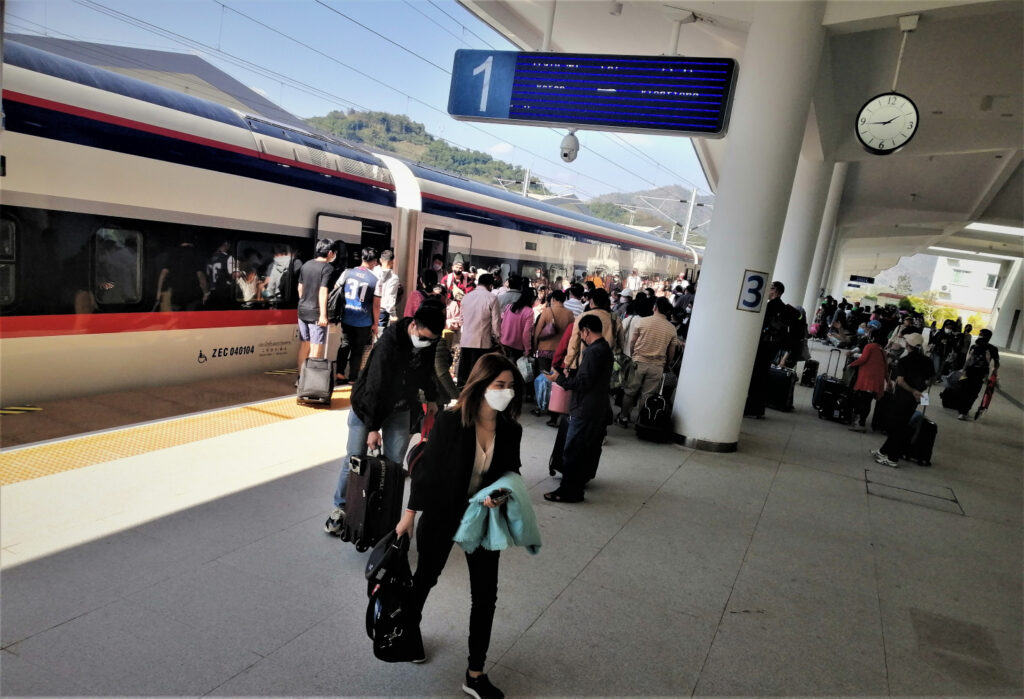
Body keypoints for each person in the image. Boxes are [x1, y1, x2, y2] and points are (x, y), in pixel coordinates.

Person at [395, 353, 525, 699]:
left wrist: (499, 494)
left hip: (483, 519)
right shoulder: (453, 421)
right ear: (481, 385)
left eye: (511, 386)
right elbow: (427, 471)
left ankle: (475, 673)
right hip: (442, 511)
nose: (506, 392)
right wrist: (409, 514)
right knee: (426, 576)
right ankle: (410, 632)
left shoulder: (511, 429)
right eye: (499, 385)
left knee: (485, 596)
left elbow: (511, 473)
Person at [325, 303, 444, 536]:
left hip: (400, 407)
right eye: (423, 338)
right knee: (354, 458)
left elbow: (427, 370)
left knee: (394, 464)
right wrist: (373, 427)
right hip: (367, 407)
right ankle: (340, 508)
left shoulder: (428, 341)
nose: (427, 343)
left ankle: (384, 513)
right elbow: (374, 388)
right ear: (413, 326)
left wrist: (431, 398)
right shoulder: (388, 345)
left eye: (432, 340)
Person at [542, 314, 614, 503]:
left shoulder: (592, 352)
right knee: (584, 449)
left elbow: (583, 383)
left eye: (581, 333)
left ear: (586, 331)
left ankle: (568, 491)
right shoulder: (606, 348)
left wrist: (558, 379)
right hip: (597, 407)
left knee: (573, 450)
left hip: (585, 408)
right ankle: (576, 487)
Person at [871, 333, 933, 468]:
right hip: (914, 400)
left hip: (901, 398)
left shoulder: (904, 361)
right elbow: (929, 380)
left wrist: (911, 390)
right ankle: (883, 451)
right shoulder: (927, 361)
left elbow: (900, 381)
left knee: (897, 428)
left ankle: (892, 458)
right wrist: (918, 391)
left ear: (907, 345)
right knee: (901, 425)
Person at [616, 296, 678, 427]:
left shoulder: (643, 322)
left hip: (638, 362)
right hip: (657, 366)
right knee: (648, 394)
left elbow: (633, 341)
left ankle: (623, 417)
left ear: (655, 308)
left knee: (630, 391)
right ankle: (642, 421)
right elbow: (671, 351)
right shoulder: (671, 328)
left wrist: (633, 356)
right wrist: (666, 364)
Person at [744, 281, 796, 418]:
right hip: (773, 346)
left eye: (769, 289)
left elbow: (761, 324)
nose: (766, 292)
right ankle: (758, 409)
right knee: (763, 375)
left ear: (775, 290)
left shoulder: (771, 306)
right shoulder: (784, 308)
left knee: (757, 376)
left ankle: (751, 408)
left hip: (765, 345)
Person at [334, 247, 381, 385]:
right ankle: (353, 378)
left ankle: (339, 373)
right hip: (363, 320)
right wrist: (375, 324)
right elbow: (376, 305)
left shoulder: (347, 273)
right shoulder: (375, 280)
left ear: (362, 258)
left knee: (345, 344)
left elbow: (336, 289)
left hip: (347, 316)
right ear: (374, 262)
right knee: (357, 349)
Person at [295, 238, 337, 374]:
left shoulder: (306, 265)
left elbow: (300, 288)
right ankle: (309, 381)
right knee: (316, 348)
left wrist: (304, 302)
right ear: (330, 252)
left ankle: (300, 378)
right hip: (316, 313)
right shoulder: (328, 268)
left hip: (302, 310)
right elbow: (323, 291)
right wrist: (323, 315)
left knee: (304, 344)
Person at [458, 273, 502, 386]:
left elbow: (461, 320)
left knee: (465, 373)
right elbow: (496, 322)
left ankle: (463, 395)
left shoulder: (466, 297)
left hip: (466, 340)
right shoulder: (492, 298)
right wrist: (497, 338)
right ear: (490, 285)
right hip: (483, 342)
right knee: (479, 374)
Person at [846, 329, 888, 432]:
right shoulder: (882, 351)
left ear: (873, 337)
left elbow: (863, 359)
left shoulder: (870, 346)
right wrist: (888, 381)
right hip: (876, 381)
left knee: (862, 401)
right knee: (867, 401)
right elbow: (886, 368)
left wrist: (851, 364)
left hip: (867, 380)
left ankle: (860, 423)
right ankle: (861, 423)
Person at [955, 328, 999, 420]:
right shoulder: (975, 346)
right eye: (980, 334)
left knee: (971, 392)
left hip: (979, 373)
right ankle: (963, 411)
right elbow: (968, 360)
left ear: (987, 336)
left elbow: (996, 362)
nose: (979, 336)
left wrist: (994, 374)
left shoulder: (991, 349)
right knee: (968, 392)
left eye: (981, 334)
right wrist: (963, 370)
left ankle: (963, 411)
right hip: (971, 372)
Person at [499, 287, 535, 360]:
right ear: (531, 299)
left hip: (503, 342)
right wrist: (527, 349)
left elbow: (501, 321)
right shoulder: (529, 312)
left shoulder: (509, 306)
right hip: (516, 347)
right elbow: (526, 333)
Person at [376, 249, 402, 329]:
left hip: (370, 308)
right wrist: (393, 314)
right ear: (392, 261)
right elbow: (390, 297)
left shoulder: (374, 271)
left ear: (380, 260)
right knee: (379, 337)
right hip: (382, 312)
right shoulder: (394, 278)